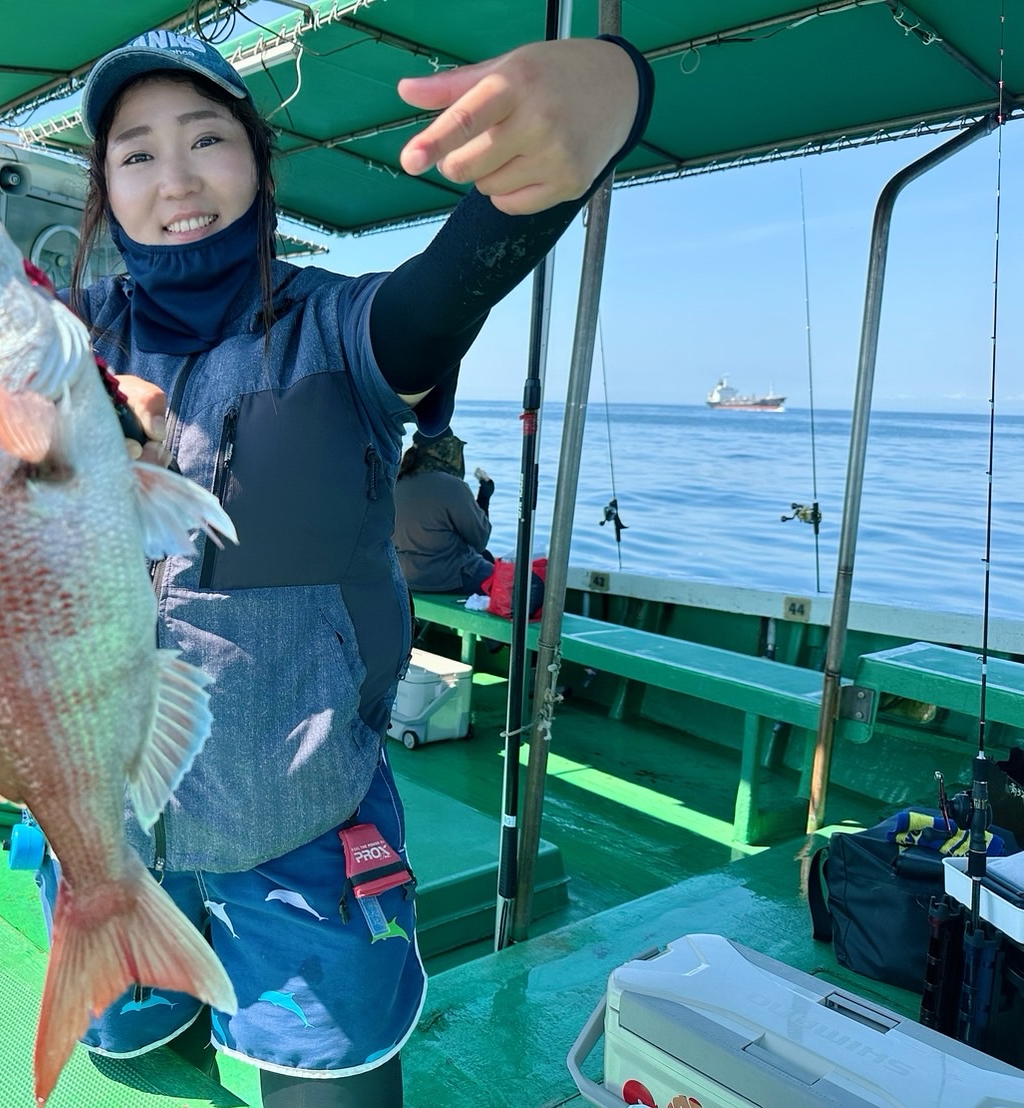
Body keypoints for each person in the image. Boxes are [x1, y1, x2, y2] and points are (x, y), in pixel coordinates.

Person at [36, 28, 652, 1106]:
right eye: (134, 154)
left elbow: (451, 284)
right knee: (121, 1051)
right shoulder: (68, 342)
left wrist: (607, 91)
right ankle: (168, 987)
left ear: (259, 165)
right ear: (102, 186)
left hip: (299, 822)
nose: (174, 179)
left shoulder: (337, 327)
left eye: (205, 140)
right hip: (109, 830)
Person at [392, 427, 496, 594]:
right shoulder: (453, 486)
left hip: (403, 576)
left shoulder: (395, 483)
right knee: (504, 578)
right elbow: (480, 541)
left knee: (486, 558)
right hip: (446, 579)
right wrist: (484, 496)